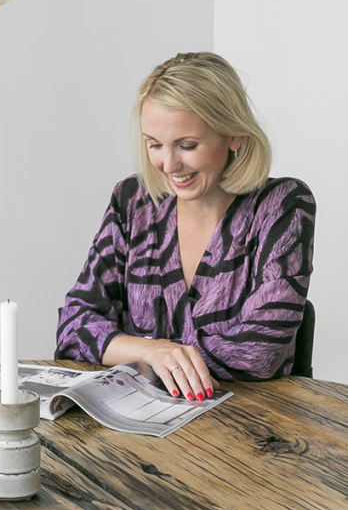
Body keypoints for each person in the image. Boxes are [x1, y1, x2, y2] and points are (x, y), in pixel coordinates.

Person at [56, 52, 315, 396]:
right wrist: (151, 351)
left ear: (233, 134)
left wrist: (132, 352)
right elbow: (73, 326)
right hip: (140, 421)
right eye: (155, 145)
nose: (168, 164)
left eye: (187, 145)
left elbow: (260, 353)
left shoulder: (282, 205)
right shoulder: (133, 200)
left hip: (250, 426)